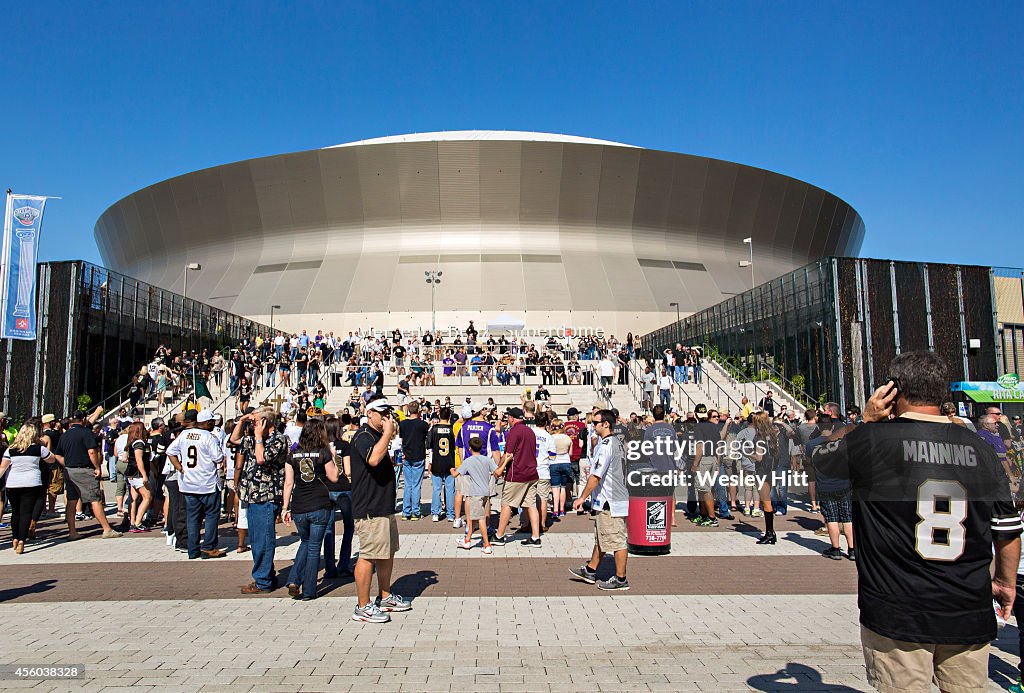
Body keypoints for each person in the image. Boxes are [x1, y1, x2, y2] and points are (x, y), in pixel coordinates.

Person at [813, 350, 1022, 693]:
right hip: (966, 602)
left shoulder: (873, 440)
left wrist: (866, 421)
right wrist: (1004, 581)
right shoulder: (980, 449)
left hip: (898, 607)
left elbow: (823, 462)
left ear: (894, 390)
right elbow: (1007, 528)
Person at [350, 398, 412, 623]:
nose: (386, 417)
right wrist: (387, 434)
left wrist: (388, 435)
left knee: (386, 552)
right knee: (368, 555)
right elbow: (373, 459)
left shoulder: (377, 436)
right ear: (369, 414)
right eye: (381, 413)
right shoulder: (363, 436)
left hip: (383, 505)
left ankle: (384, 596)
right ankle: (362, 605)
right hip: (369, 507)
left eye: (388, 413)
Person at [568, 408, 630, 591]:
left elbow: (596, 475)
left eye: (595, 423)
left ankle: (620, 579)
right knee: (602, 537)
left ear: (606, 424)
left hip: (610, 500)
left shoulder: (606, 446)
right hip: (612, 498)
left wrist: (581, 497)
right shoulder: (617, 442)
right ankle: (590, 570)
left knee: (617, 540)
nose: (592, 426)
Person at [283, 418, 339, 601]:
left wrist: (285, 507)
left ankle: (293, 579)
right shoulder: (322, 452)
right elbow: (334, 477)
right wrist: (332, 455)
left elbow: (289, 482)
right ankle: (309, 590)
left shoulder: (293, 453)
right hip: (319, 503)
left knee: (305, 542)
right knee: (314, 547)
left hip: (299, 504)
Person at [233, 408, 289, 593]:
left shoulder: (278, 439)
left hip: (266, 495)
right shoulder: (257, 439)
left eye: (256, 421)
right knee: (257, 539)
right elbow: (233, 441)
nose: (252, 425)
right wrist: (241, 422)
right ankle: (266, 575)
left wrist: (258, 436)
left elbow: (261, 458)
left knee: (263, 541)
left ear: (266, 423)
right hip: (253, 495)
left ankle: (263, 581)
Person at [166, 410, 226, 560]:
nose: (213, 424)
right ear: (205, 422)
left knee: (192, 517)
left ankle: (192, 549)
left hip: (189, 483)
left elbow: (170, 451)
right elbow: (218, 458)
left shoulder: (185, 434)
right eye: (211, 422)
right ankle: (208, 547)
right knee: (211, 516)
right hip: (207, 483)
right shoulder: (208, 437)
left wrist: (180, 467)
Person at [54, 409, 121, 540]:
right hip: (84, 469)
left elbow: (57, 454)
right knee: (95, 499)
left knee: (72, 501)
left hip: (69, 469)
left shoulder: (65, 435)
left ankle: (72, 531)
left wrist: (66, 463)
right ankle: (106, 529)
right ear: (84, 419)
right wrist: (97, 467)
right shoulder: (86, 433)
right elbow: (92, 452)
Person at [804, 415, 854, 560]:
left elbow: (808, 461)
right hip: (843, 482)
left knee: (831, 518)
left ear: (818, 427)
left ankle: (836, 548)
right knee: (847, 517)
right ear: (832, 427)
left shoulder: (811, 444)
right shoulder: (840, 442)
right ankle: (852, 549)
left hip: (825, 484)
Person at [492, 407, 542, 547]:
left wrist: (499, 468)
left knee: (507, 503)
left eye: (508, 417)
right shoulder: (530, 431)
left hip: (517, 473)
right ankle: (535, 537)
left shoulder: (514, 431)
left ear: (512, 418)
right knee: (531, 505)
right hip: (532, 473)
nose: (507, 420)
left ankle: (499, 535)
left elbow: (508, 454)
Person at [0, 423, 52, 554]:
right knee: (26, 513)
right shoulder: (39, 449)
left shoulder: (11, 449)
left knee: (15, 512)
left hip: (13, 484)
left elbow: (3, 467)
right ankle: (22, 540)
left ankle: (15, 538)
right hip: (32, 483)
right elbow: (51, 459)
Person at [452, 436, 497, 554]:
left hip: (475, 493)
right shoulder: (487, 460)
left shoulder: (468, 461)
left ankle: (486, 544)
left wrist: (452, 469)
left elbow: (456, 474)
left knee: (479, 519)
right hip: (486, 492)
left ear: (470, 448)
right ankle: (467, 540)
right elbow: (497, 471)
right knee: (473, 518)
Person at [398, 401, 430, 521]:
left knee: (408, 484)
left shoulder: (403, 424)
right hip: (418, 456)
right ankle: (415, 511)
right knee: (416, 485)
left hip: (407, 455)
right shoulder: (423, 425)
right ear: (418, 411)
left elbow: (402, 439)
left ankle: (406, 511)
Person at [428, 408, 457, 523]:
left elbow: (429, 446)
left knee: (437, 489)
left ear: (439, 415)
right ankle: (450, 513)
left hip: (437, 461)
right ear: (449, 416)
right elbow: (455, 446)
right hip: (449, 461)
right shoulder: (452, 429)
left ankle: (436, 512)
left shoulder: (434, 429)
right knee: (450, 489)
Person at [124, 422, 153, 533]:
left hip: (131, 473)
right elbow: (139, 460)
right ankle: (138, 522)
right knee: (147, 497)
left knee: (134, 498)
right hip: (137, 474)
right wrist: (144, 475)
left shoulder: (132, 442)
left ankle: (132, 523)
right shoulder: (139, 443)